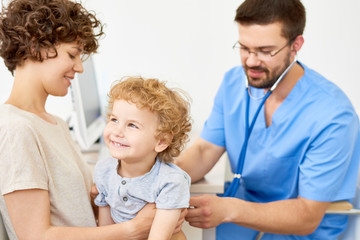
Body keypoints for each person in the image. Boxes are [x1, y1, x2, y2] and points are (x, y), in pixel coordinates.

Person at [0, 0, 186, 239]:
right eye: (72, 55)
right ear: (37, 47)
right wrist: (133, 228)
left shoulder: (53, 123)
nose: (79, 68)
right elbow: (35, 235)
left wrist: (152, 172)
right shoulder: (15, 129)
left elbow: (82, 189)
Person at [175, 0, 360, 239]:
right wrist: (166, 174)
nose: (251, 61)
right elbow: (205, 150)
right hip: (243, 210)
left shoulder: (333, 115)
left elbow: (307, 215)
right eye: (244, 47)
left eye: (265, 51)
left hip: (301, 228)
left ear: (296, 45)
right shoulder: (233, 84)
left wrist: (230, 209)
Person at [93, 77, 192, 240]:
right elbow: (105, 231)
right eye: (114, 120)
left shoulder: (170, 182)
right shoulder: (104, 170)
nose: (117, 131)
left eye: (132, 125)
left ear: (162, 141)